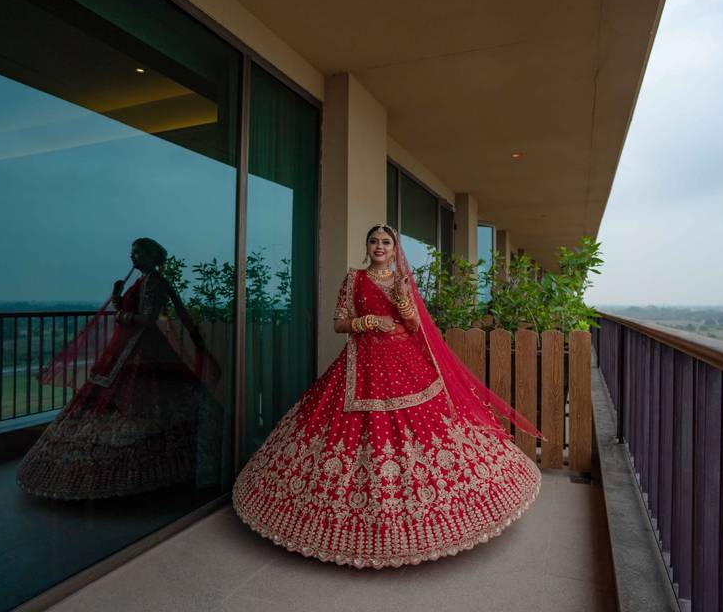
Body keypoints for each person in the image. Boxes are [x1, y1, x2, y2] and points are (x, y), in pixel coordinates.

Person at [232, 224, 542, 569]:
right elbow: (338, 323)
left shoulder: (401, 282)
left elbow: (413, 327)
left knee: (425, 427)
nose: (379, 246)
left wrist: (404, 307)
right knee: (345, 430)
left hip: (404, 364)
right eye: (374, 241)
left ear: (395, 250)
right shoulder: (353, 278)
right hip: (360, 366)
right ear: (367, 246)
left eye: (386, 243)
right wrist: (367, 322)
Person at [16, 238, 220, 500]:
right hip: (132, 348)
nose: (132, 257)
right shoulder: (144, 280)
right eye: (131, 253)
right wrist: (118, 298)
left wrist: (121, 314)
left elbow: (147, 320)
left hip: (141, 349)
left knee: (139, 400)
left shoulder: (154, 282)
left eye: (138, 253)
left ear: (151, 255)